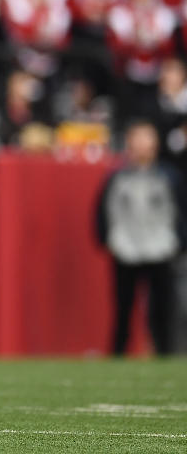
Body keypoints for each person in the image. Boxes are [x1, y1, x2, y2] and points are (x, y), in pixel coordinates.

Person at [96, 121, 186, 355]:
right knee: (123, 307)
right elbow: (103, 210)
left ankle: (166, 353)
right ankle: (118, 354)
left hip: (161, 248)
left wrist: (178, 241)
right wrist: (108, 240)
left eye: (147, 138)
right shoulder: (117, 177)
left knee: (163, 308)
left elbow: (180, 210)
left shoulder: (169, 176)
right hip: (127, 249)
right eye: (138, 138)